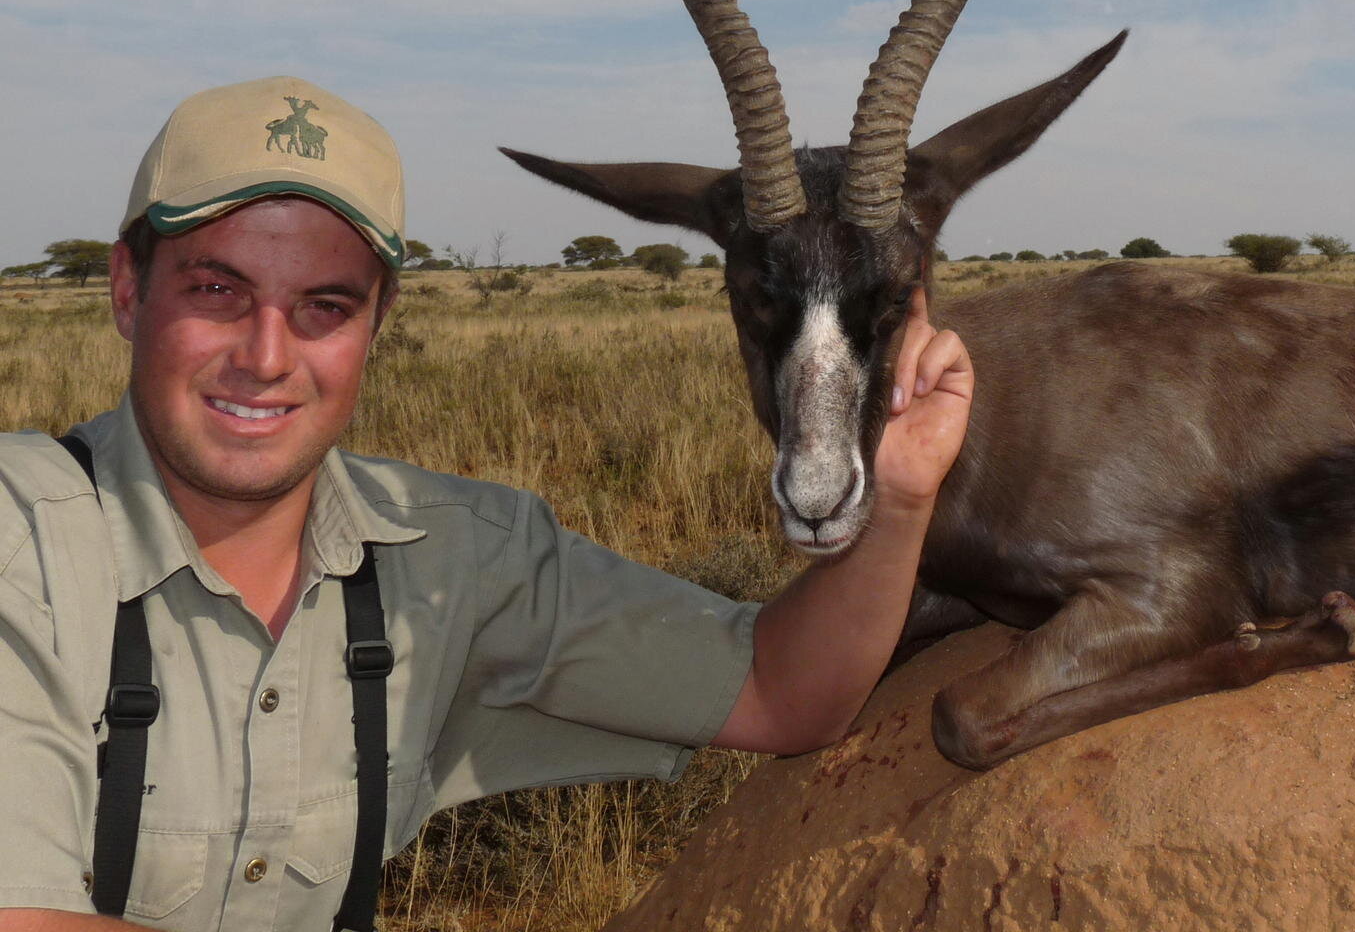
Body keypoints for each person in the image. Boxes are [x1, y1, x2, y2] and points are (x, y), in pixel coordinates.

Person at [0, 76, 972, 931]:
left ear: (378, 322)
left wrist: (897, 492)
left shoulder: (456, 557)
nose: (265, 355)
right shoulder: (21, 537)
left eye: (323, 308)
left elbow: (784, 692)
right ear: (128, 290)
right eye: (217, 290)